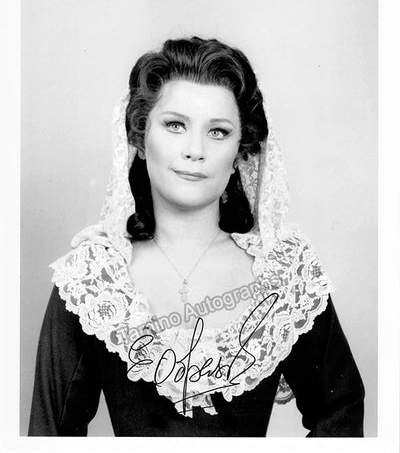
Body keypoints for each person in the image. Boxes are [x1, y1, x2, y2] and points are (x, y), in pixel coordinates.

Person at [28, 36, 365, 437]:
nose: (195, 149)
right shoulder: (93, 278)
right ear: (140, 138)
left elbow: (341, 411)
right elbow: (49, 433)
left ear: (241, 151)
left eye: (218, 131)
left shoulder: (285, 274)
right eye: (175, 125)